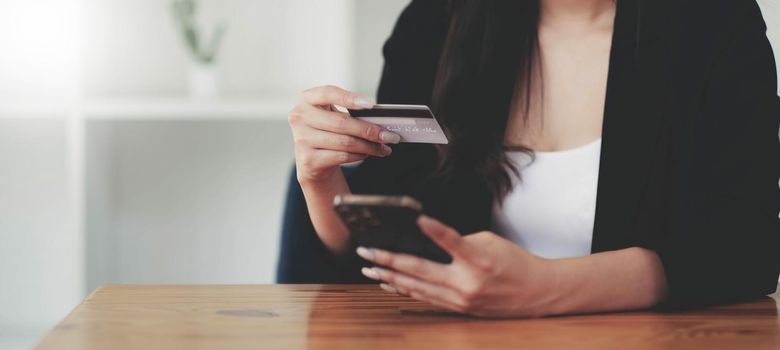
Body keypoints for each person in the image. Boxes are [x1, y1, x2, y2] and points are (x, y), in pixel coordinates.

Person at [285, 0, 780, 317]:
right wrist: (321, 180)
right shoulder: (437, 21)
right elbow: (381, 248)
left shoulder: (714, 23)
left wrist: (547, 286)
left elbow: (744, 251)